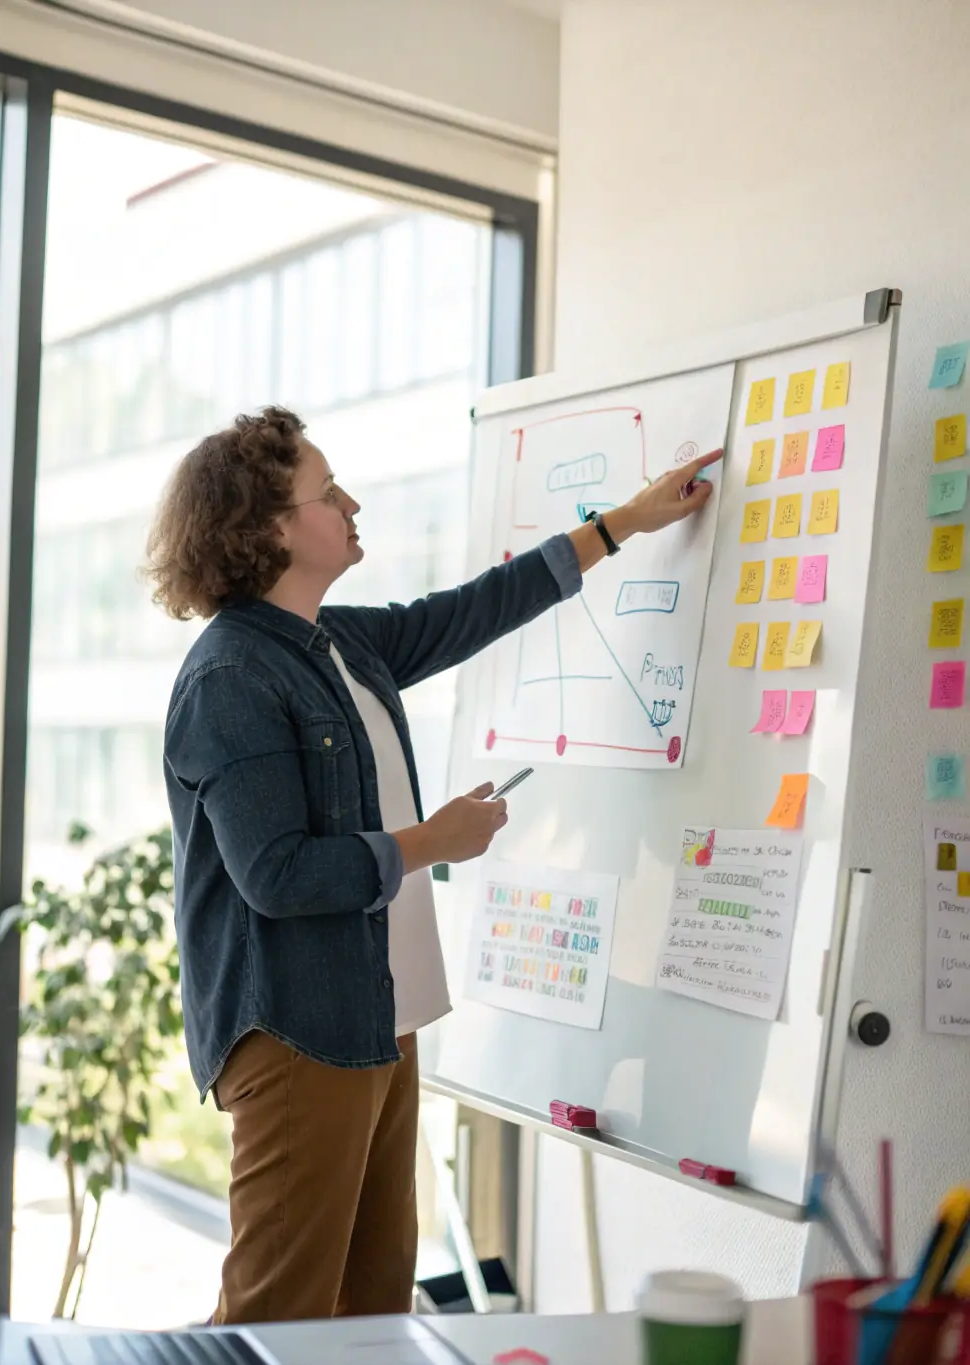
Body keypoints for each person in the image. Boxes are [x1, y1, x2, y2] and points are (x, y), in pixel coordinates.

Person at [146, 406, 721, 1325]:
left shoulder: (340, 641)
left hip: (384, 1013)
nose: (351, 502)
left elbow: (474, 610)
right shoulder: (230, 679)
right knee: (278, 1315)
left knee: (373, 1303)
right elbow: (279, 875)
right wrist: (433, 842)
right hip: (300, 1030)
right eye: (327, 491)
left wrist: (622, 524)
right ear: (267, 527)